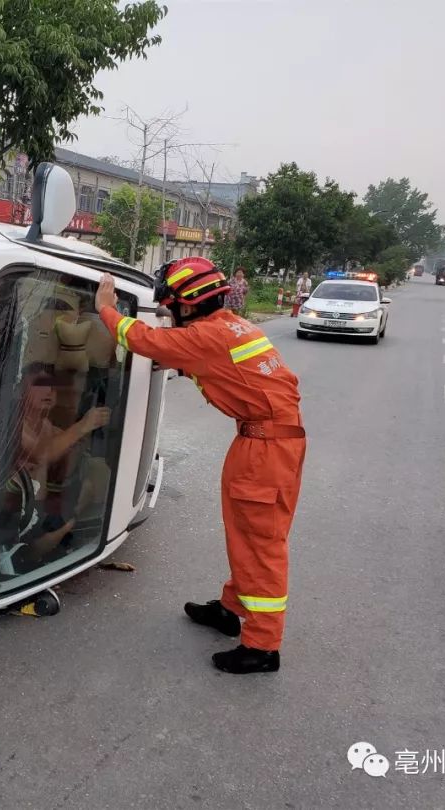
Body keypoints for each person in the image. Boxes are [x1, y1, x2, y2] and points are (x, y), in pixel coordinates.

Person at [93, 257, 306, 674]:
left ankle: (263, 646)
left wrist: (106, 308)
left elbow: (145, 340)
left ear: (187, 306)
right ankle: (230, 609)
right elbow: (211, 363)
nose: (170, 313)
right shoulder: (232, 326)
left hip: (267, 449)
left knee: (262, 545)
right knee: (245, 535)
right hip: (265, 442)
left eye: (171, 305)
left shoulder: (207, 338)